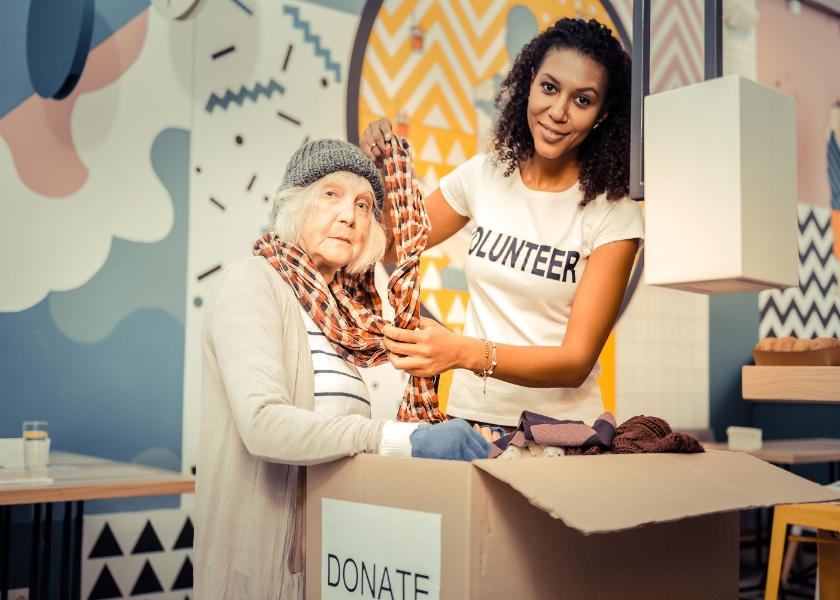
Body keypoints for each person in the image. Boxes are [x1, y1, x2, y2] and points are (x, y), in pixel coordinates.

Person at [193, 139, 489, 599]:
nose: (349, 215)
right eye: (331, 194)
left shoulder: (351, 320)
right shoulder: (253, 283)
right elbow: (262, 425)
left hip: (334, 562)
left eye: (364, 204)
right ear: (295, 203)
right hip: (264, 571)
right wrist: (398, 438)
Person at [361, 18, 643, 439]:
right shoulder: (483, 176)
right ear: (530, 83)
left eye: (582, 100)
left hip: (559, 435)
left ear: (602, 115)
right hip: (470, 423)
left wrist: (461, 352)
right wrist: (381, 171)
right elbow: (388, 249)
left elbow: (576, 361)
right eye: (549, 88)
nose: (559, 112)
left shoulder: (613, 213)